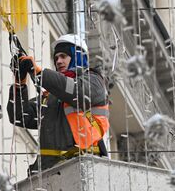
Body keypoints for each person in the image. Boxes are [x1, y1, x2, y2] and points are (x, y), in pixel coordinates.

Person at [7, 34, 110, 174]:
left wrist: (39, 73)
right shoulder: (52, 97)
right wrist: (20, 83)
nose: (58, 61)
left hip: (84, 164)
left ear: (77, 56)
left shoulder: (95, 81)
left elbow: (75, 91)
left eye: (63, 56)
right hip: (49, 171)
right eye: (56, 58)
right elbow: (20, 116)